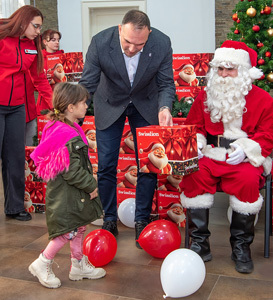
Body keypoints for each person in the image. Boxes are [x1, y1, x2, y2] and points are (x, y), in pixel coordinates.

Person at [179, 40, 273, 274]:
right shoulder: (205, 96)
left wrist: (247, 149)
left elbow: (269, 135)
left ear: (243, 71)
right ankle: (199, 243)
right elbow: (193, 126)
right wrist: (198, 142)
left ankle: (241, 247)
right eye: (220, 69)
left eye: (230, 69)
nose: (224, 75)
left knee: (247, 181)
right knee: (193, 173)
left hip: (243, 158)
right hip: (211, 153)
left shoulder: (263, 99)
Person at [79, 9, 175, 248]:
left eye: (139, 44)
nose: (132, 49)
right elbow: (88, 84)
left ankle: (142, 219)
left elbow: (165, 83)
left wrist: (164, 108)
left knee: (148, 165)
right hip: (110, 103)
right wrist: (73, 116)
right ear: (120, 29)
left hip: (146, 104)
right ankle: (109, 218)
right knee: (107, 164)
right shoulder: (100, 42)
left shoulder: (162, 43)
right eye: (128, 42)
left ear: (149, 35)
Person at [28, 82, 105, 288]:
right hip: (66, 192)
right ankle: (42, 262)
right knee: (66, 232)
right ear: (70, 108)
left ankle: (78, 264)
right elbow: (71, 170)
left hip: (69, 191)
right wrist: (91, 185)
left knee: (79, 226)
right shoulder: (66, 134)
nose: (86, 105)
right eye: (82, 102)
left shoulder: (64, 127)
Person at [0, 5, 52, 221]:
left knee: (14, 157)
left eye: (40, 27)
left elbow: (39, 77)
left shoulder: (32, 45)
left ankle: (14, 207)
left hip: (18, 107)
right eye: (36, 26)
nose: (39, 31)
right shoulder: (3, 38)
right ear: (23, 21)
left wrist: (52, 105)